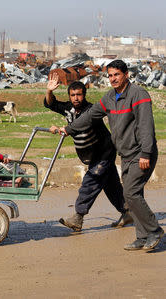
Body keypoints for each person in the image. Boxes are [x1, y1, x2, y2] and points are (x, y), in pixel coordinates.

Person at [60, 59, 163, 251]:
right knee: (134, 194)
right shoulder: (109, 98)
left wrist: (146, 153)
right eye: (110, 75)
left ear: (126, 75)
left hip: (141, 153)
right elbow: (90, 116)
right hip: (125, 154)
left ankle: (154, 231)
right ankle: (142, 237)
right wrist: (69, 129)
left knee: (130, 193)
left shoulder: (138, 94)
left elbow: (146, 126)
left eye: (117, 75)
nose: (113, 79)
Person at [45, 74, 131, 232]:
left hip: (103, 152)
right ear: (69, 96)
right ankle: (128, 211)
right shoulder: (69, 109)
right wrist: (49, 91)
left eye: (79, 95)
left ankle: (78, 217)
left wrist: (60, 129)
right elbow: (51, 104)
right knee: (110, 184)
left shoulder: (92, 110)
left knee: (90, 182)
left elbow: (81, 124)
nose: (76, 98)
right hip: (91, 155)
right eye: (73, 95)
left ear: (84, 95)